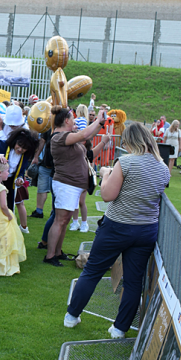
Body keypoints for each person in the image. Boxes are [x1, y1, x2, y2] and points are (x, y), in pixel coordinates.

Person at [65, 123, 170, 338]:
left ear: (130, 142)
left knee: (93, 270)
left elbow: (107, 195)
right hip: (145, 230)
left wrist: (105, 174)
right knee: (133, 281)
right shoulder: (163, 167)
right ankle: (120, 329)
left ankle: (72, 316)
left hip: (117, 227)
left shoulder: (126, 162)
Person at [44, 107, 107, 267]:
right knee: (60, 220)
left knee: (64, 221)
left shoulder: (66, 137)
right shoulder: (59, 137)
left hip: (72, 185)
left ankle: (58, 252)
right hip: (66, 185)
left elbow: (88, 136)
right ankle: (50, 255)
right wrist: (98, 120)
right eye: (72, 118)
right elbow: (84, 134)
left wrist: (100, 124)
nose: (75, 121)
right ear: (66, 120)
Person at [0, 128, 37, 234]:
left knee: (5, 212)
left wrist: (20, 179)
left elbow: (21, 171)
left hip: (8, 185)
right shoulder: (2, 145)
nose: (20, 149)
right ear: (15, 140)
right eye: (19, 145)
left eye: (24, 148)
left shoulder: (25, 155)